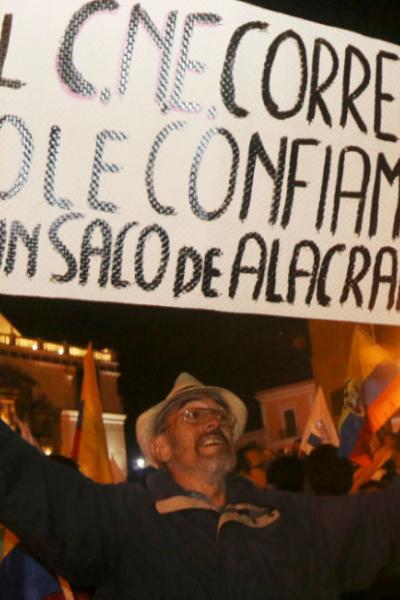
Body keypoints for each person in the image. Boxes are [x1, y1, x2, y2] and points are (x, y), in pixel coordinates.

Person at [2, 372, 400, 599]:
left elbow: (385, 519)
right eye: (193, 414)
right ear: (160, 447)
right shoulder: (121, 518)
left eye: (220, 417)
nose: (214, 421)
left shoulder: (288, 515)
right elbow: (21, 476)